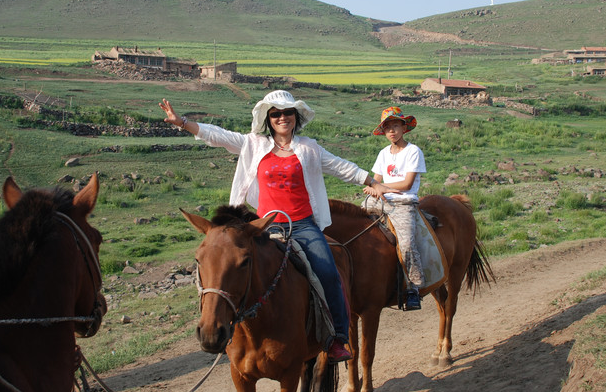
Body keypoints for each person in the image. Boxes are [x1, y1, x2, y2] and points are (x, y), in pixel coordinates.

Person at [159, 90, 396, 362]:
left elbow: (341, 167)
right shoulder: (253, 144)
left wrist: (373, 182)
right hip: (264, 227)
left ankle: (336, 339)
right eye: (276, 113)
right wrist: (183, 122)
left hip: (303, 225)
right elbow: (218, 135)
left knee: (329, 272)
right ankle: (227, 329)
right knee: (227, 270)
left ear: (296, 117)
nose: (282, 117)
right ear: (268, 119)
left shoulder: (310, 148)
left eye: (287, 112)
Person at [363, 107, 426, 311]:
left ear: (404, 128)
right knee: (356, 221)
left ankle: (414, 288)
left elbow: (407, 184)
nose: (392, 131)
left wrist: (381, 187)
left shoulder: (413, 151)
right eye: (387, 127)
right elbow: (376, 180)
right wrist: (372, 187)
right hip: (382, 200)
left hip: (403, 202)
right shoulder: (383, 153)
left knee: (406, 244)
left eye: (395, 126)